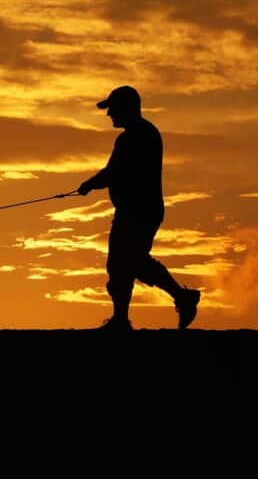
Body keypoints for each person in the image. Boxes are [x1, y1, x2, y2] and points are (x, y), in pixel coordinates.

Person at [77, 86, 201, 331]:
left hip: (139, 210)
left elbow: (114, 172)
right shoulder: (141, 133)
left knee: (128, 263)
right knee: (126, 263)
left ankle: (131, 317)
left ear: (127, 108)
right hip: (136, 210)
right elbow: (116, 172)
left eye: (113, 108)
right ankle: (127, 317)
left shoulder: (136, 136)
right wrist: (92, 184)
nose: (109, 114)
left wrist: (89, 184)